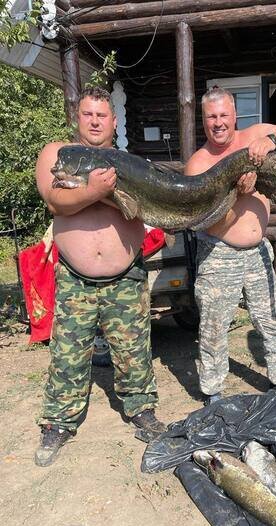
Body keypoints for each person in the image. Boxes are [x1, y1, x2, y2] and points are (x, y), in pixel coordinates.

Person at [34, 86, 165, 467]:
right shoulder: (59, 154)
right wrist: (94, 190)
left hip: (126, 275)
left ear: (114, 121)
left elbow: (150, 208)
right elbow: (55, 201)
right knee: (68, 354)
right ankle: (59, 422)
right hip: (76, 278)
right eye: (88, 114)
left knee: (134, 351)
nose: (95, 121)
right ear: (77, 118)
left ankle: (141, 410)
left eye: (101, 115)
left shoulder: (131, 163)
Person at [184, 87, 276, 405]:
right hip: (218, 254)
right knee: (214, 327)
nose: (218, 122)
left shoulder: (255, 137)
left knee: (272, 320)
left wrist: (272, 141)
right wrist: (238, 193)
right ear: (203, 120)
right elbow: (208, 222)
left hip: (258, 253)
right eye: (211, 117)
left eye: (223, 115)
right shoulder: (198, 164)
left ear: (235, 116)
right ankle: (213, 391)